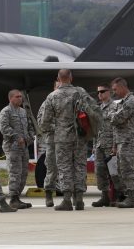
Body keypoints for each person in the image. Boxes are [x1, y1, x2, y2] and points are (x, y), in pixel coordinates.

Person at [38, 69, 94, 211]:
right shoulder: (81, 92)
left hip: (62, 138)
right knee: (80, 166)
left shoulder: (52, 96)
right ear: (71, 77)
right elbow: (93, 111)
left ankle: (67, 200)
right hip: (80, 136)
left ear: (58, 78)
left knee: (64, 167)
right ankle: (80, 200)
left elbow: (44, 122)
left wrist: (57, 127)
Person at [0, 89, 35, 209]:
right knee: (15, 173)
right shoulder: (5, 112)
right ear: (11, 98)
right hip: (12, 147)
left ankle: (17, 198)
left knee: (24, 173)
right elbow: (4, 128)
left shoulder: (23, 112)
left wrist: (29, 138)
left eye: (21, 97)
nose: (20, 98)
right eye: (17, 97)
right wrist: (16, 137)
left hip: (24, 147)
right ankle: (13, 199)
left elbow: (30, 126)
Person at [109, 77, 134, 209]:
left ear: (122, 87)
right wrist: (115, 145)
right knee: (122, 170)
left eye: (115, 89)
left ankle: (132, 198)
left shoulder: (131, 102)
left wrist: (111, 115)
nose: (114, 92)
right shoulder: (122, 102)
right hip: (121, 141)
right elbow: (115, 123)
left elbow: (117, 119)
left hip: (128, 141)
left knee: (128, 169)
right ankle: (127, 196)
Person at [37, 81, 61, 207]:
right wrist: (58, 127)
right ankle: (48, 194)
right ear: (54, 88)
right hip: (52, 141)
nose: (60, 89)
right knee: (51, 168)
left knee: (68, 169)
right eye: (57, 86)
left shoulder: (71, 102)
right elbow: (41, 122)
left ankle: (69, 195)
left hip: (68, 142)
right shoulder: (47, 103)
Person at [92, 82, 115, 207]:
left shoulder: (115, 107)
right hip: (100, 145)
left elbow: (117, 128)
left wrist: (115, 145)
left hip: (111, 144)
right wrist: (95, 145)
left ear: (109, 92)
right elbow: (97, 129)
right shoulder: (98, 108)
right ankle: (104, 196)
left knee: (114, 172)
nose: (99, 94)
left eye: (102, 91)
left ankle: (116, 196)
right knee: (100, 171)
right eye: (98, 92)